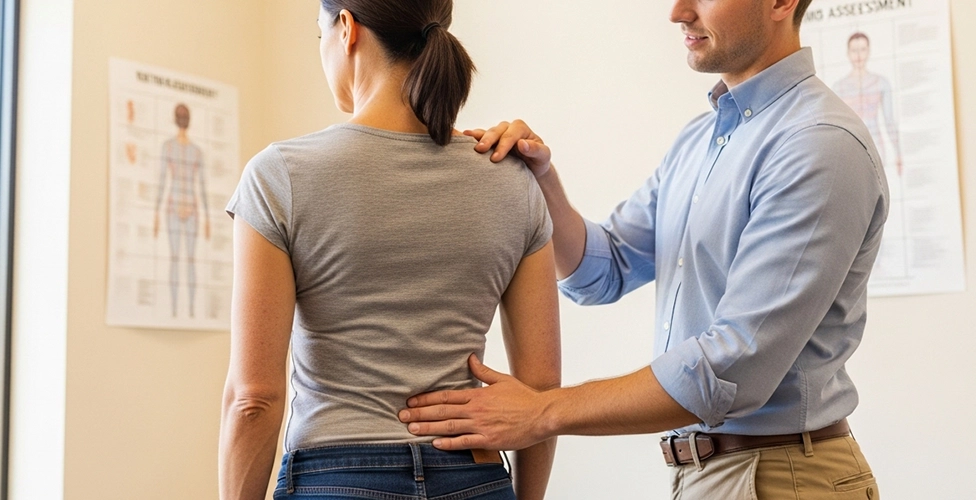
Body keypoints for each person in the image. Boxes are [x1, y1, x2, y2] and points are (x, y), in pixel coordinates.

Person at [398, 0, 888, 498]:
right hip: (708, 474)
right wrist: (541, 181)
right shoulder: (702, 139)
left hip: (780, 478)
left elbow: (733, 366)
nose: (678, 12)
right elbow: (603, 269)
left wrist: (542, 413)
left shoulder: (818, 143)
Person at [218, 1, 560, 499]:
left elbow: (253, 399)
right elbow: (541, 389)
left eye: (320, 37)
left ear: (346, 29)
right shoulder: (511, 180)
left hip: (335, 477)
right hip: (473, 474)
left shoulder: (281, 176)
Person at [153, 103, 210, 318]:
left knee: (189, 260)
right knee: (177, 258)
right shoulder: (168, 147)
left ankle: (192, 310)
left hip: (190, 208)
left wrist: (206, 217)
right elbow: (162, 182)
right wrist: (157, 212)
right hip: (175, 206)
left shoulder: (196, 151)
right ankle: (176, 310)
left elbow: (202, 186)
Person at [832, 32, 903, 176]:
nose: (858, 55)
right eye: (854, 50)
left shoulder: (881, 83)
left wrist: (898, 153)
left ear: (869, 51)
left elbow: (889, 121)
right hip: (850, 150)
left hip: (876, 145)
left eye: (863, 49)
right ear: (848, 53)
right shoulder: (839, 87)